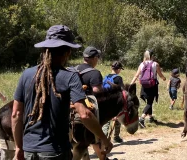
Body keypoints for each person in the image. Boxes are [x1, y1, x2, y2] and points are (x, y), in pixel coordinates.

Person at [11, 25, 112, 160]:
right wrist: (104, 139)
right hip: (55, 151)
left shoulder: (26, 75)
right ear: (67, 52)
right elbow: (85, 114)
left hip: (29, 150)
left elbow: (16, 114)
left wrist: (19, 146)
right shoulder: (70, 76)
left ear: (45, 49)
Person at [130, 50, 167, 128]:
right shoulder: (155, 64)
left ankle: (150, 117)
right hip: (152, 85)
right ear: (152, 56)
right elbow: (160, 75)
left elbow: (136, 75)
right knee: (149, 103)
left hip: (144, 85)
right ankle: (141, 118)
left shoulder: (142, 64)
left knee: (149, 101)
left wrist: (131, 84)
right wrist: (164, 78)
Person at [101, 61, 124, 143]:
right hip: (114, 102)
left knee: (106, 122)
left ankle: (103, 138)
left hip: (104, 101)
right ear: (118, 69)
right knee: (118, 120)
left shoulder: (105, 77)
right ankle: (115, 137)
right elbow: (122, 91)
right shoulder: (118, 78)